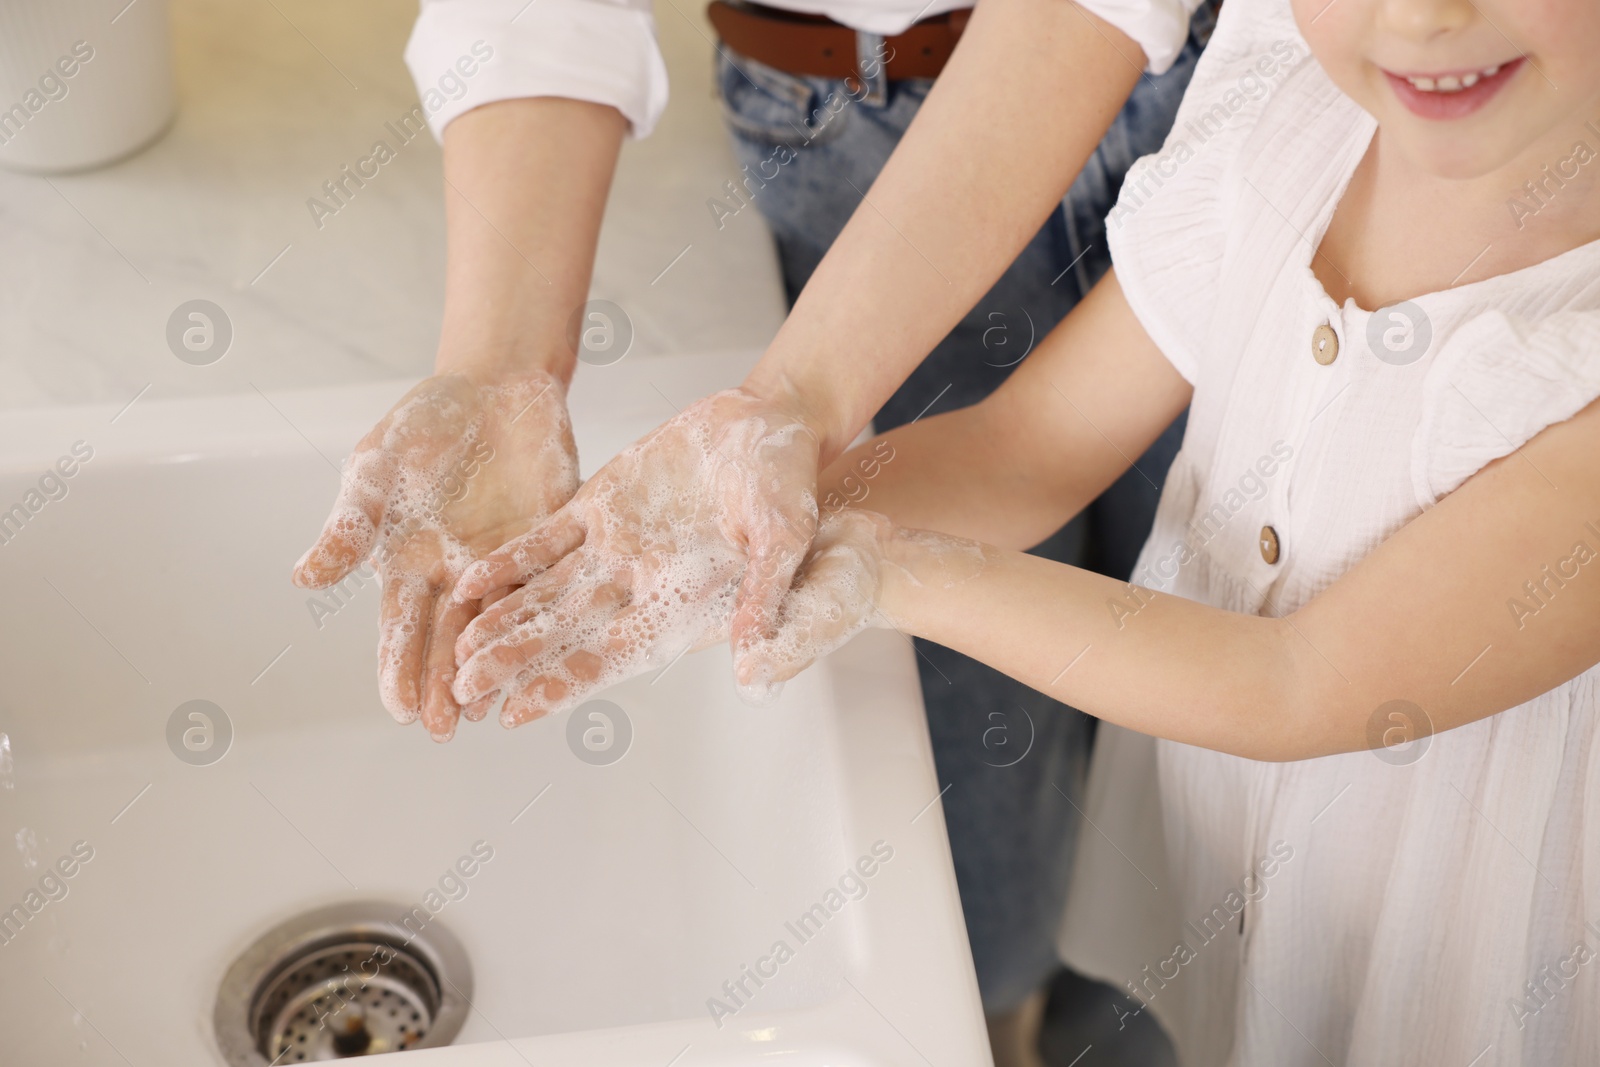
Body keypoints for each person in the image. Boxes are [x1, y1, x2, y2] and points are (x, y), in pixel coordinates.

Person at [452, 0, 1600, 1061]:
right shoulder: (1284, 108)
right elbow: (1029, 447)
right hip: (1245, 882)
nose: (1420, 16)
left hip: (1455, 957)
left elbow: (1293, 684)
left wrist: (888, 573)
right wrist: (749, 519)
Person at [292, 0, 1215, 1056]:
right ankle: (1012, 1012)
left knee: (1201, 672)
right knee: (977, 786)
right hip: (856, 121)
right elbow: (1024, 455)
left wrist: (797, 400)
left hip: (1252, 87)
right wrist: (499, 363)